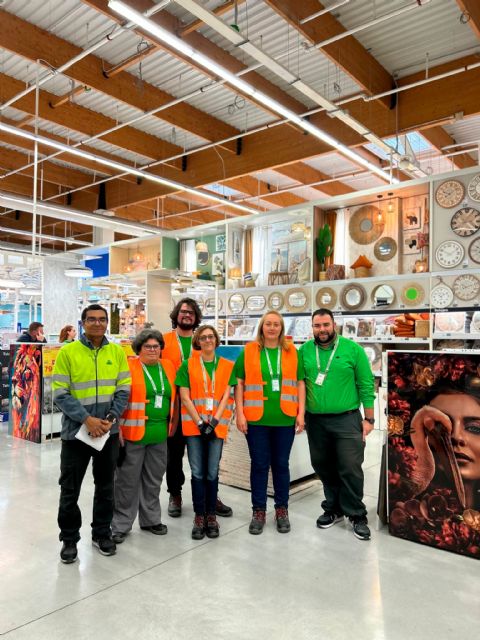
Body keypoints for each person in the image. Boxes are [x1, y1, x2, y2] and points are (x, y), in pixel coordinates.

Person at [52, 304, 131, 564]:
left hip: (107, 432)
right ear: (83, 322)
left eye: (102, 319)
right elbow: (60, 393)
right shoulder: (68, 352)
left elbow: (123, 389)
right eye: (91, 319)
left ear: (107, 322)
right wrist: (87, 419)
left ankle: (101, 533)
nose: (97, 324)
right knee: (70, 489)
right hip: (75, 434)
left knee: (106, 486)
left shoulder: (117, 352)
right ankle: (69, 539)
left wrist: (108, 420)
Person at [299, 308, 375, 541]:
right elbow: (300, 383)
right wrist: (301, 414)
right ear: (312, 327)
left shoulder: (353, 350)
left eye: (325, 325)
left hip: (347, 418)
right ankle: (333, 508)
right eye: (317, 326)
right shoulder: (304, 351)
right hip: (316, 420)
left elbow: (366, 384)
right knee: (323, 465)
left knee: (350, 466)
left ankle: (356, 514)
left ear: (334, 325)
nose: (322, 330)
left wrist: (369, 418)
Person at [234, 311, 306, 535]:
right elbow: (239, 382)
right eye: (268, 324)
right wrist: (240, 413)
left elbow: (300, 383)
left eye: (276, 324)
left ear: (282, 328)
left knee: (281, 466)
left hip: (284, 418)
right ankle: (258, 511)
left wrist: (301, 414)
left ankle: (282, 510)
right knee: (259, 465)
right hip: (256, 419)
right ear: (262, 327)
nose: (272, 328)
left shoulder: (292, 351)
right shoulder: (249, 350)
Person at [162, 297, 232, 519]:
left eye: (191, 312)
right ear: (176, 314)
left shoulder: (203, 340)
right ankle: (175, 493)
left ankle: (211, 497)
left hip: (201, 412)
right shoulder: (164, 341)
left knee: (207, 457)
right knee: (173, 456)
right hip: (174, 408)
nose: (187, 315)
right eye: (183, 311)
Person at [112, 330, 177, 544]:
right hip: (132, 434)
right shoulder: (129, 367)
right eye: (148, 346)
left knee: (153, 480)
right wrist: (117, 427)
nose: (152, 350)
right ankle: (121, 524)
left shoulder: (167, 366)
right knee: (126, 482)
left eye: (156, 346)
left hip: (160, 435)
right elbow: (118, 398)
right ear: (139, 348)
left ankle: (150, 519)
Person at [175, 325, 236, 540]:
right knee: (198, 472)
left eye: (211, 337)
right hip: (194, 427)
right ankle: (199, 516)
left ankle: (212, 516)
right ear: (197, 341)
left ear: (216, 340)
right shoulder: (187, 365)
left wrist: (214, 422)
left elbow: (226, 397)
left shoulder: (228, 366)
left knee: (212, 472)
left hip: (216, 427)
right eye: (203, 337)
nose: (208, 340)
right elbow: (185, 397)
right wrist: (200, 423)